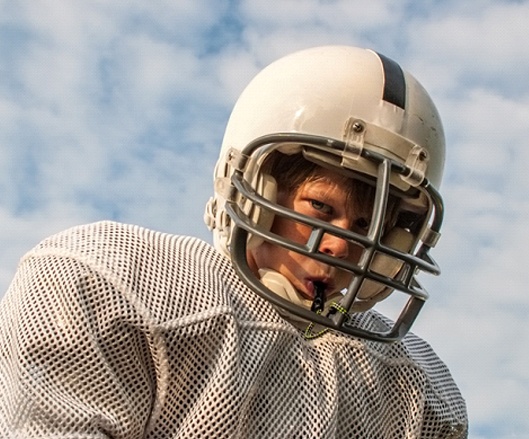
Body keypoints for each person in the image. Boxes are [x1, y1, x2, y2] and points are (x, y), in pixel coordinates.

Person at [0, 46, 467, 437]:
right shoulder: (112, 284)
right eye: (320, 209)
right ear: (256, 191)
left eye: (367, 228)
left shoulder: (412, 390)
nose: (341, 246)